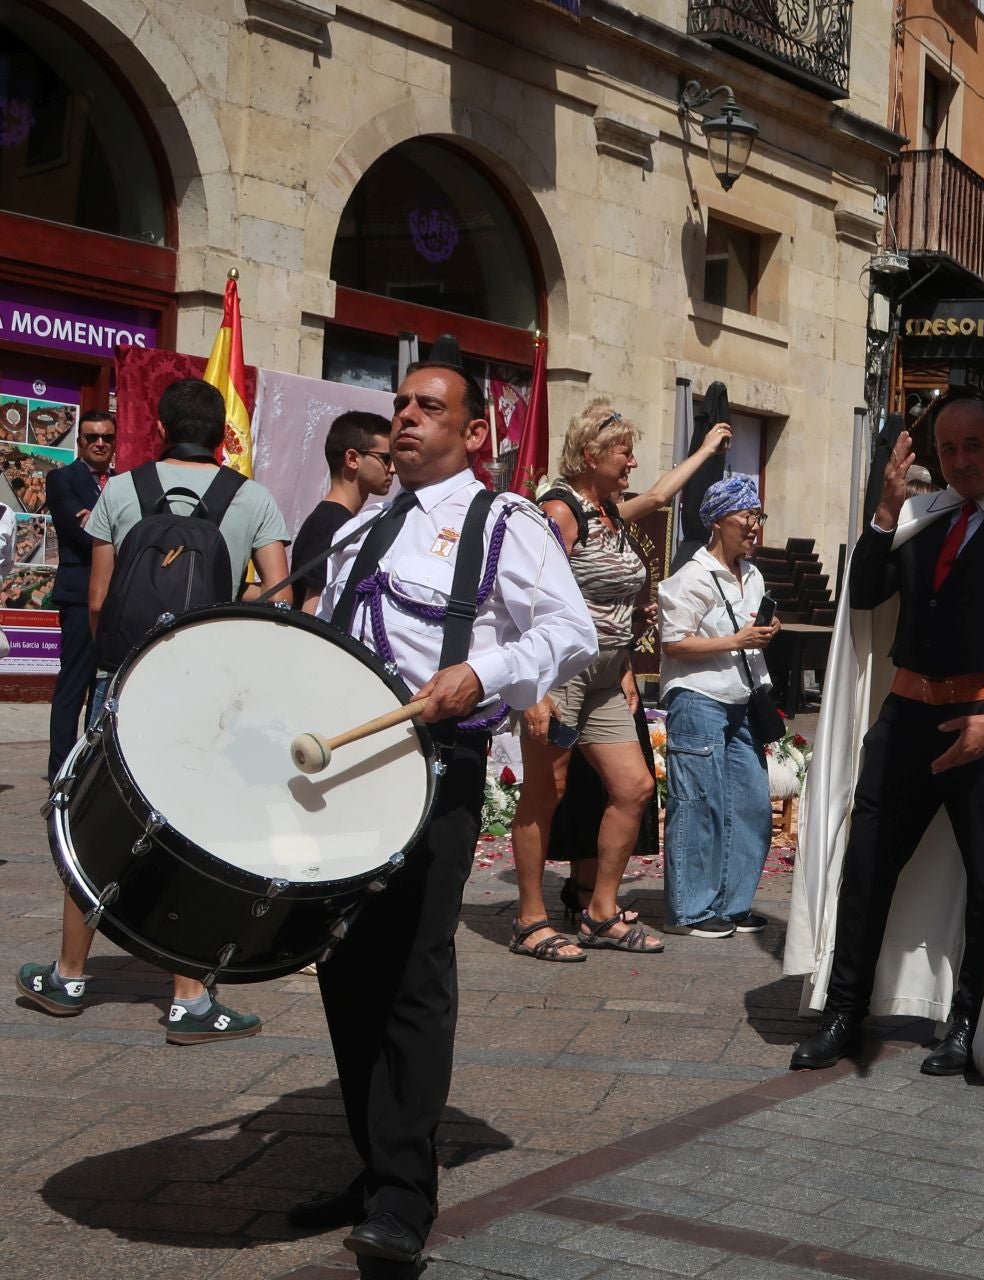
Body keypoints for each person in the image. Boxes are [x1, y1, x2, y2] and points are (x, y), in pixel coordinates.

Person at [296, 362, 595, 1266]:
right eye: (400, 405)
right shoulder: (359, 528)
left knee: (412, 974)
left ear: (473, 434)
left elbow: (572, 631)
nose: (407, 418)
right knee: (345, 968)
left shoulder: (506, 521)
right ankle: (373, 1164)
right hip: (347, 773)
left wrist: (482, 672)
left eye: (430, 407)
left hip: (437, 770)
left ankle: (403, 1195)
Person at [785, 395, 984, 1081]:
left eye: (972, 446)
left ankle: (966, 1022)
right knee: (866, 866)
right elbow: (864, 597)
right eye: (948, 449)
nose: (960, 460)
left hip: (983, 728)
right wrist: (884, 511)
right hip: (905, 720)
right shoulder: (921, 517)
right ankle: (844, 1013)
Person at [17, 379, 291, 1045]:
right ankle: (189, 998)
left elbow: (98, 599)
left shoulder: (121, 490)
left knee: (94, 816)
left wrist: (114, 666)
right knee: (194, 829)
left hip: (125, 677)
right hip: (207, 685)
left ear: (161, 429)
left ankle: (68, 976)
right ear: (223, 434)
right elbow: (279, 596)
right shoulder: (251, 498)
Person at [507, 401, 731, 961]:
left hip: (607, 674)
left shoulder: (608, 512)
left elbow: (657, 498)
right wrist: (533, 689)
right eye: (623, 452)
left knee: (633, 789)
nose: (632, 461)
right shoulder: (560, 511)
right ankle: (529, 920)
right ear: (591, 455)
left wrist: (627, 660)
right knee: (547, 791)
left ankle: (600, 912)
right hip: (561, 672)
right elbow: (526, 597)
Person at [655, 475, 778, 939]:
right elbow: (674, 644)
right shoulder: (691, 577)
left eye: (757, 516)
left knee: (751, 804)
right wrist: (737, 640)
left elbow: (746, 632)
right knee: (699, 804)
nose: (754, 526)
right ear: (719, 521)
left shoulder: (752, 574)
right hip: (699, 699)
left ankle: (732, 903)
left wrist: (765, 630)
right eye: (747, 517)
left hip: (742, 699)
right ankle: (690, 910)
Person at [45, 409, 114, 780]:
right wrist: (114, 529)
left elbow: (101, 529)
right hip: (79, 597)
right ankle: (61, 773)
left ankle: (88, 770)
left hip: (115, 597)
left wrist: (99, 521)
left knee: (105, 687)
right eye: (92, 437)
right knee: (74, 685)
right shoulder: (62, 479)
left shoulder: (121, 482)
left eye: (107, 438)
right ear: (80, 441)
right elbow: (82, 535)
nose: (100, 443)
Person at [291, 412, 393, 612]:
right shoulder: (329, 525)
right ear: (352, 459)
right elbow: (313, 611)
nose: (393, 469)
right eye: (386, 458)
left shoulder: (333, 520)